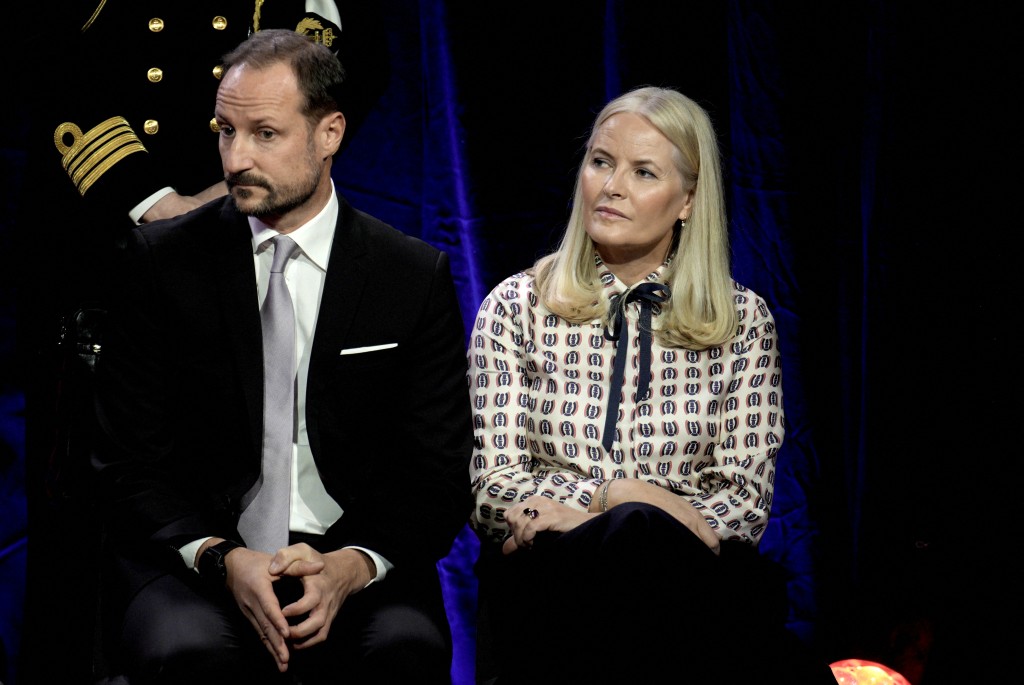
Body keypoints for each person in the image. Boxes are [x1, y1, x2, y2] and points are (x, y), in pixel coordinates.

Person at [15, 3, 390, 681]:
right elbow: (53, 60)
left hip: (254, 226)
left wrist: (243, 177)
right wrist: (153, 204)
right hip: (101, 240)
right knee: (80, 526)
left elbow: (338, 57)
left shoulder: (403, 269)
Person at [89, 28, 472, 684]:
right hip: (198, 557)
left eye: (264, 133)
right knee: (186, 649)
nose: (235, 159)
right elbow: (126, 462)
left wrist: (354, 564)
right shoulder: (160, 264)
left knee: (406, 648)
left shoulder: (409, 275)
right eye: (225, 131)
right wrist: (217, 556)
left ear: (329, 134)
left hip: (353, 555)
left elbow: (435, 473)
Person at [467, 86, 834, 684]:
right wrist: (649, 509)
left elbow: (740, 505)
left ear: (687, 200)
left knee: (645, 551)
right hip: (552, 585)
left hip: (693, 595)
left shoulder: (742, 322)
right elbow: (497, 491)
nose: (611, 186)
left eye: (642, 172)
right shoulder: (515, 307)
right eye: (601, 161)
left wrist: (607, 501)